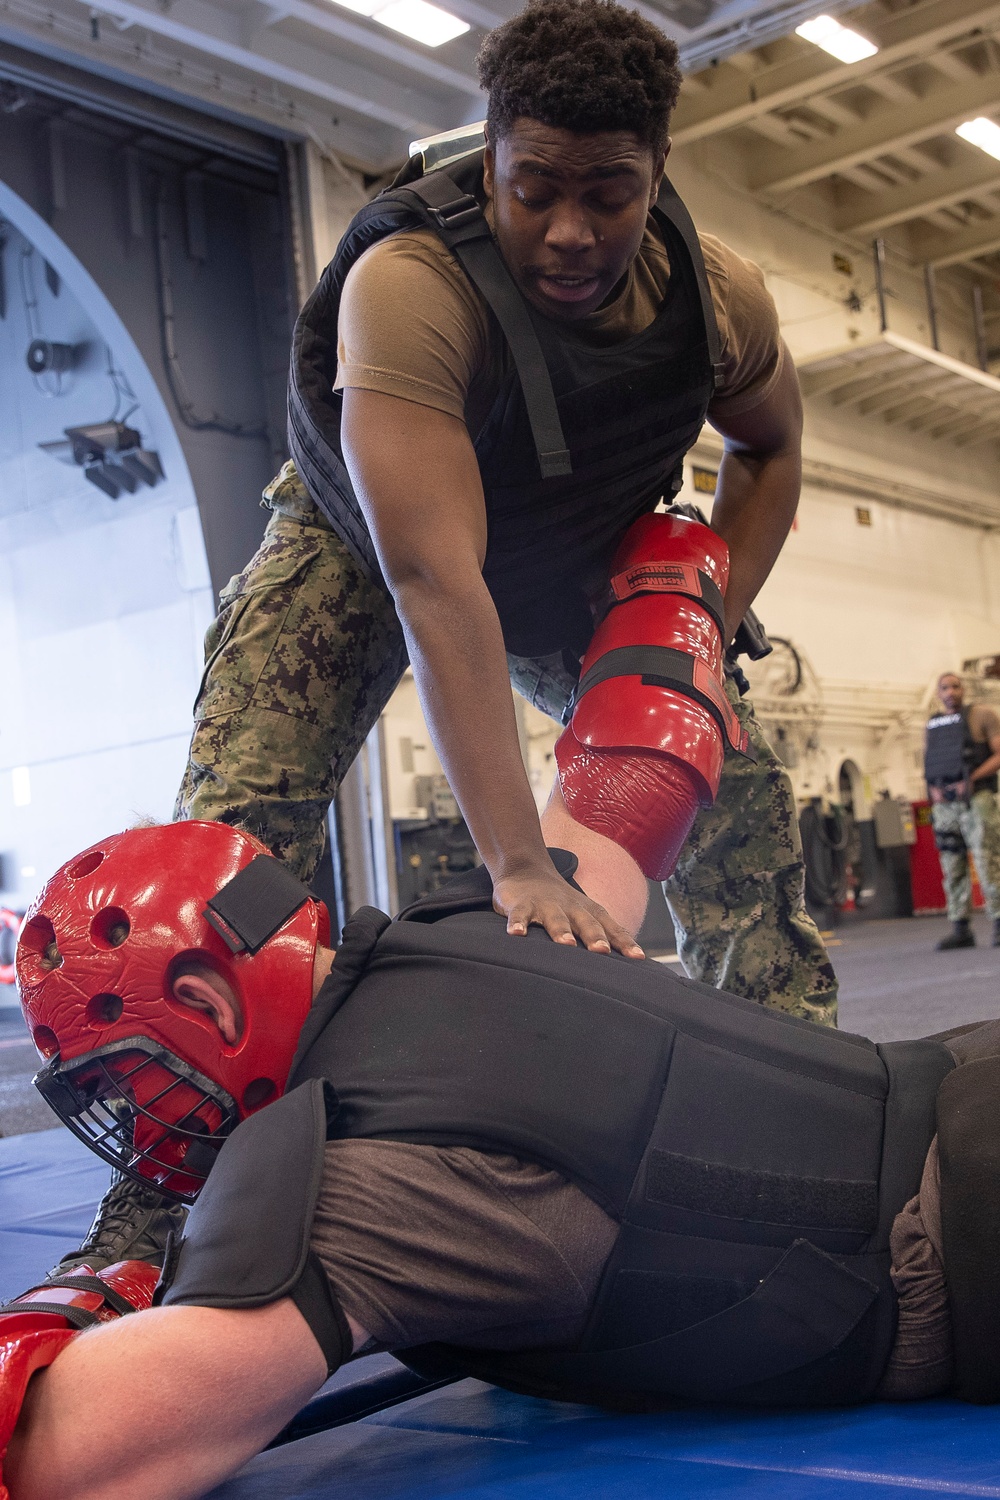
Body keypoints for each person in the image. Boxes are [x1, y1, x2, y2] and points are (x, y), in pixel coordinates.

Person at [174, 0, 836, 1026]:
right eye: (534, 192)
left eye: (609, 196)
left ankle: (788, 1075)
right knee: (234, 837)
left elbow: (772, 447)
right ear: (490, 164)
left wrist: (695, 635)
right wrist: (517, 860)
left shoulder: (717, 298)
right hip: (365, 543)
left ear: (656, 172)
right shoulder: (412, 285)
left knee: (730, 788)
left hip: (570, 551)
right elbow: (436, 583)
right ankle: (183, 1172)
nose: (570, 232)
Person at [3, 821, 1000, 1500]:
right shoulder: (477, 913)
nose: (140, 1133)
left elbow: (70, 1460)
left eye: (127, 1084)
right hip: (958, 1065)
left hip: (961, 1236)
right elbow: (636, 761)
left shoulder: (348, 1186)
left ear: (209, 1009)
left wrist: (74, 1315)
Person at [924, 672, 1000, 950]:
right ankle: (960, 927)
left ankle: (999, 922)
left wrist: (972, 779)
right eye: (945, 687)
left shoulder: (982, 715)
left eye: (956, 686)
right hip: (945, 803)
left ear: (963, 689)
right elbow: (930, 761)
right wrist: (933, 791)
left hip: (976, 799)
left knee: (988, 861)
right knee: (952, 865)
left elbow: (998, 754)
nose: (951, 692)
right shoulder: (934, 724)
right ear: (938, 693)